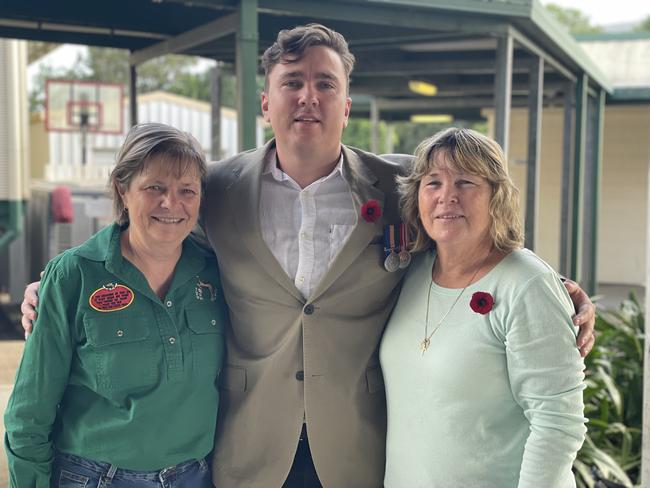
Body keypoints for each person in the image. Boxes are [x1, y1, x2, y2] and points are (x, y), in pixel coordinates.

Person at [20, 24, 595, 488]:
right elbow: (146, 235)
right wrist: (52, 284)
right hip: (247, 444)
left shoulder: (402, 185)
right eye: (293, 82)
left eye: (326, 83)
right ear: (266, 102)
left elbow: (469, 225)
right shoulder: (212, 189)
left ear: (346, 105)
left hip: (360, 445)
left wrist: (550, 287)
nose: (308, 96)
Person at [5, 123, 227, 488]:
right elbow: (29, 415)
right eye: (154, 187)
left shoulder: (217, 274)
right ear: (123, 190)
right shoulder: (74, 275)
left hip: (195, 477)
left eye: (187, 190)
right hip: (94, 478)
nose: (171, 203)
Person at [380, 127, 586, 487]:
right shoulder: (409, 273)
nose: (448, 197)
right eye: (433, 183)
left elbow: (557, 423)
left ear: (496, 196)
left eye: (465, 182)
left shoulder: (527, 284)